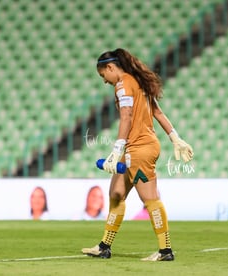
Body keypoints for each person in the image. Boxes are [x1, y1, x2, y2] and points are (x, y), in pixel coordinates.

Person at [81, 48, 193, 261]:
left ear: (111, 67)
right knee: (116, 193)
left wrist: (116, 149)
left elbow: (127, 116)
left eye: (103, 75)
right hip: (137, 147)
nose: (105, 81)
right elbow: (157, 112)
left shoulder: (123, 84)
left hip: (139, 148)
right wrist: (175, 137)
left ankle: (165, 251)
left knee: (150, 199)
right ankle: (104, 246)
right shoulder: (139, 82)